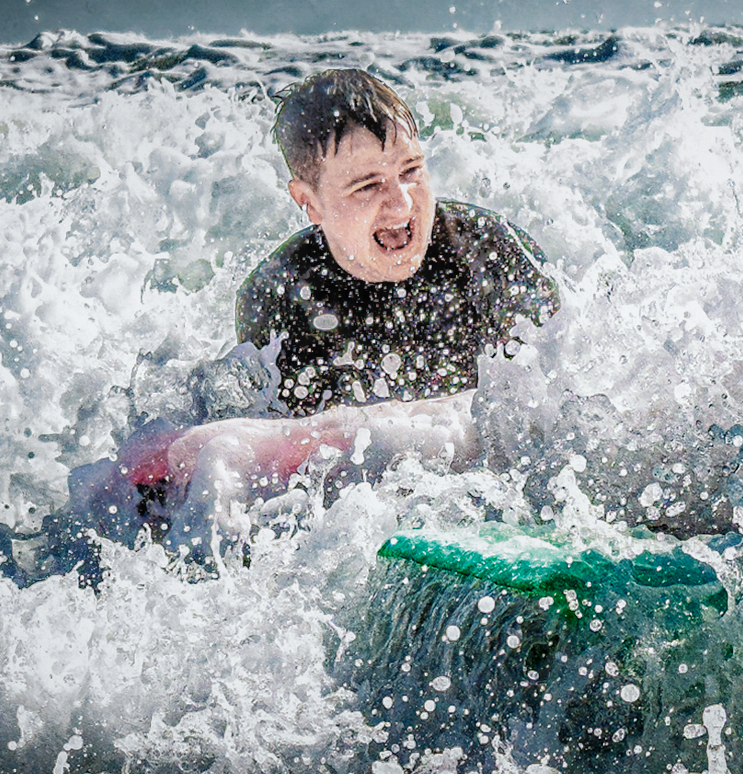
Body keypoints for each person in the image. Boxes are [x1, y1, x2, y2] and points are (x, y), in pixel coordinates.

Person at [66, 69, 559, 562]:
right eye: (367, 186)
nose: (402, 203)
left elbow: (553, 412)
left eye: (411, 170)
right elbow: (279, 464)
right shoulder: (283, 297)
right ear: (309, 203)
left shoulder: (490, 254)